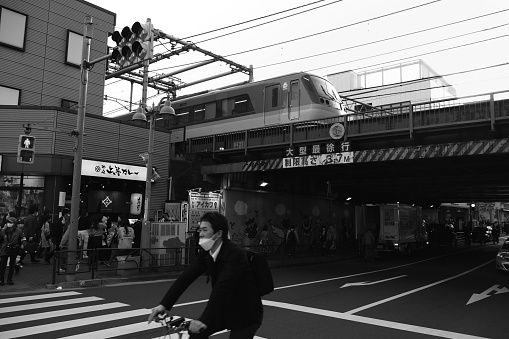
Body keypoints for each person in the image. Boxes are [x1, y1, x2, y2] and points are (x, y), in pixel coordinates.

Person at [148, 212, 263, 338]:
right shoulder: (207, 253)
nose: (200, 234)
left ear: (218, 233)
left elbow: (222, 289)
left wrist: (203, 320)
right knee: (196, 334)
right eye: (200, 230)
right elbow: (186, 277)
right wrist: (164, 305)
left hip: (246, 313)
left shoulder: (235, 254)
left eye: (204, 230)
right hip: (224, 310)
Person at [0, 217, 26, 285]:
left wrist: (23, 244)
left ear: (14, 224)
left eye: (11, 223)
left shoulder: (18, 231)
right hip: (4, 249)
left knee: (12, 265)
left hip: (14, 249)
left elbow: (23, 238)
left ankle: (9, 279)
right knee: (2, 265)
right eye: (8, 222)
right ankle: (1, 280)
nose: (9, 224)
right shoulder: (3, 231)